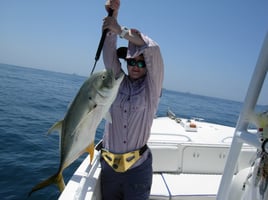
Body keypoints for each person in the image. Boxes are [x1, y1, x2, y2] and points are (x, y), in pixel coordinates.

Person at [100, 0, 164, 199]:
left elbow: (152, 48)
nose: (136, 66)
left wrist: (120, 30)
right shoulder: (117, 82)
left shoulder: (151, 89)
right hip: (109, 168)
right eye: (131, 61)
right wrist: (114, 16)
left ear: (148, 67)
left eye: (141, 63)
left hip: (137, 170)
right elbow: (109, 55)